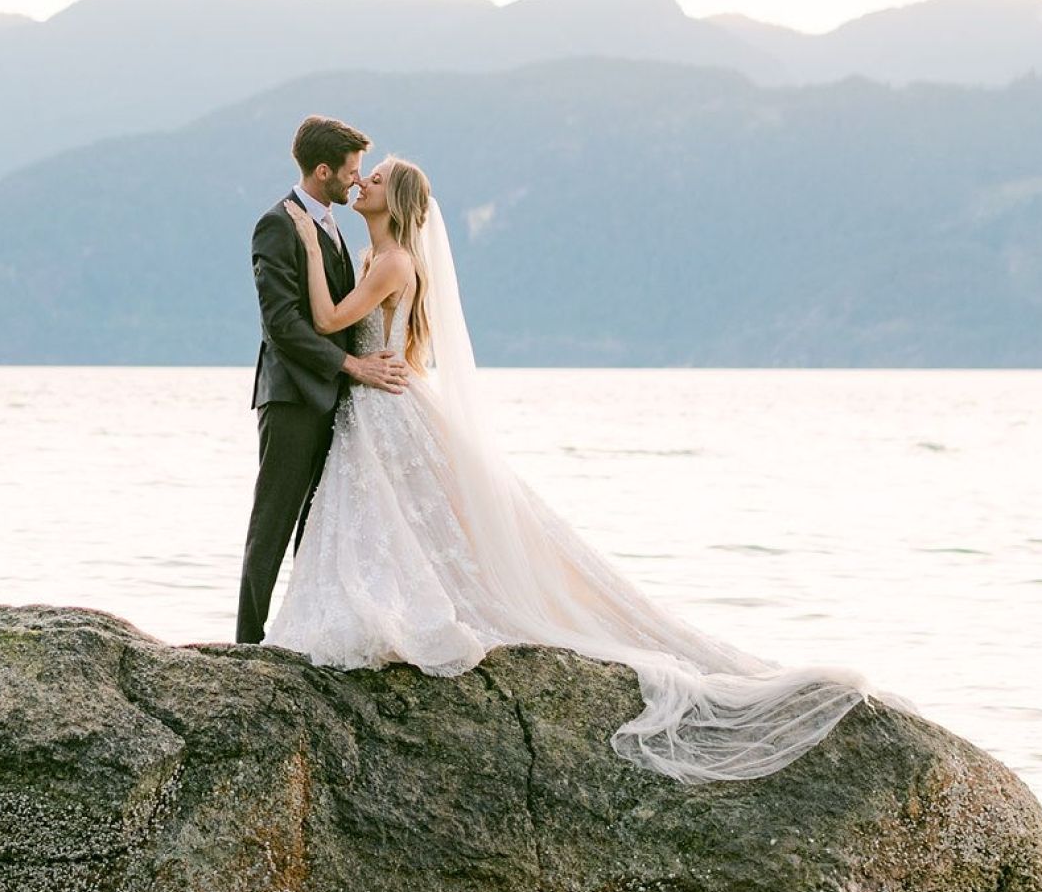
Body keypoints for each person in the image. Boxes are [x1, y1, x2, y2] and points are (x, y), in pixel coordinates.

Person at [260, 151, 874, 785]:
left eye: (377, 178)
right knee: (390, 520)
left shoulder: (391, 262)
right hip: (378, 401)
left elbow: (331, 320)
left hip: (381, 405)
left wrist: (307, 242)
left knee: (396, 516)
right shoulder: (374, 258)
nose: (363, 182)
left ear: (401, 201)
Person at [236, 116, 412, 645]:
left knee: (316, 530)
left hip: (335, 401)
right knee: (274, 521)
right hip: (292, 396)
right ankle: (246, 642)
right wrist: (353, 367)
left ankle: (298, 633)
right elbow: (282, 324)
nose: (357, 181)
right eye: (352, 172)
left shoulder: (336, 226)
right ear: (322, 170)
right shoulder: (277, 224)